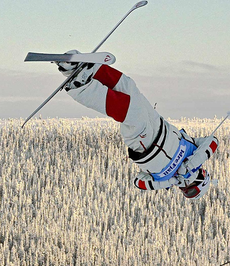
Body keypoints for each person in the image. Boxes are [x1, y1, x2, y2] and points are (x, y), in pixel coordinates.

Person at [57, 54, 219, 200]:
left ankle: (80, 87)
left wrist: (170, 181)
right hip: (157, 123)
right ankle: (90, 70)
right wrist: (191, 164)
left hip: (146, 146)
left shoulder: (166, 180)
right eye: (191, 190)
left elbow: (139, 182)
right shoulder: (194, 151)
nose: (185, 188)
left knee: (130, 113)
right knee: (129, 89)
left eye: (186, 192)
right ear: (202, 177)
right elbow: (213, 142)